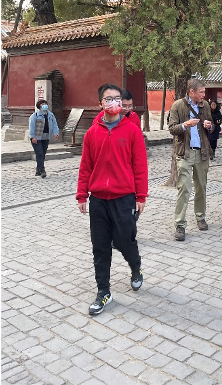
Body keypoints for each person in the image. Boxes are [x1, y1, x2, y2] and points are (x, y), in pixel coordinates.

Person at [76, 83, 148, 315]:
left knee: (125, 241)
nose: (114, 103)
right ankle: (103, 291)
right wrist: (82, 195)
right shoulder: (92, 133)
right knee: (100, 247)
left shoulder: (132, 131)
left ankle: (135, 267)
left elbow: (140, 166)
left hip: (124, 198)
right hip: (98, 200)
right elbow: (85, 167)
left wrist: (141, 196)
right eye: (109, 99)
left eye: (117, 99)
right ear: (101, 103)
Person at [168, 79, 214, 241]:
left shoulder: (205, 105)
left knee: (201, 186)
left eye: (204, 91)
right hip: (185, 153)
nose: (204, 95)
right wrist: (185, 125)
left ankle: (200, 216)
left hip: (202, 153)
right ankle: (180, 224)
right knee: (184, 187)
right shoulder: (178, 105)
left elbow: (212, 126)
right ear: (191, 91)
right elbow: (172, 128)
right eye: (201, 92)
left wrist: (209, 126)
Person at [28, 99, 59, 178]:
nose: (44, 105)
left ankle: (38, 169)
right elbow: (31, 127)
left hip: (45, 137)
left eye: (45, 103)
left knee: (43, 153)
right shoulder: (34, 116)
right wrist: (33, 136)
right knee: (39, 153)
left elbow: (54, 124)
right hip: (36, 138)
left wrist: (56, 133)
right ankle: (42, 170)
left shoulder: (50, 115)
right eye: (42, 104)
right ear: (39, 106)